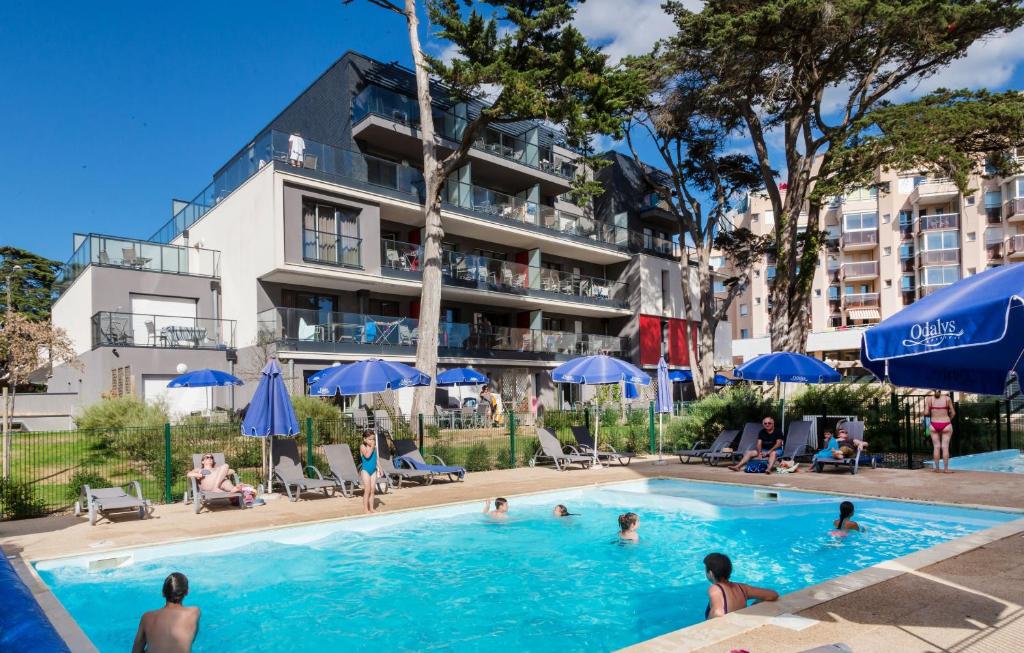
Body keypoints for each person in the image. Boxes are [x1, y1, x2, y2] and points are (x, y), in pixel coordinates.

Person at [131, 572, 200, 653]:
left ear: (163, 593)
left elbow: (136, 651)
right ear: (187, 591)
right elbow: (191, 638)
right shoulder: (194, 612)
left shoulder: (146, 617)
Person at [703, 553, 778, 619]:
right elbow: (773, 595)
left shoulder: (715, 588)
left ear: (711, 573)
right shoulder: (742, 588)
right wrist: (752, 607)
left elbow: (717, 613)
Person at [186, 454, 253, 504]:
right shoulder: (199, 469)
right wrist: (199, 474)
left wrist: (222, 473)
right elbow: (189, 474)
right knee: (225, 468)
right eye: (207, 457)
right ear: (202, 462)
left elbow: (232, 471)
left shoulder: (217, 469)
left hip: (219, 484)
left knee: (226, 479)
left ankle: (236, 492)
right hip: (207, 484)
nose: (209, 459)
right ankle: (241, 491)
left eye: (211, 457)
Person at [925, 390, 955, 474]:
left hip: (934, 424)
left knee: (936, 447)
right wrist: (949, 419)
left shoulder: (929, 399)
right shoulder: (947, 398)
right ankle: (946, 469)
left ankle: (937, 468)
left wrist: (932, 413)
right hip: (946, 424)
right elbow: (953, 413)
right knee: (945, 447)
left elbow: (926, 412)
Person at [359, 430, 379, 514]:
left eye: (373, 439)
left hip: (373, 470)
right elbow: (367, 456)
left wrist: (380, 468)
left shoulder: (374, 448)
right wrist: (372, 447)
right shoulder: (362, 447)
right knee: (367, 489)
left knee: (372, 490)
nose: (372, 441)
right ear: (365, 439)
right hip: (365, 471)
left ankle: (372, 508)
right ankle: (365, 509)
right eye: (370, 439)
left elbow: (376, 458)